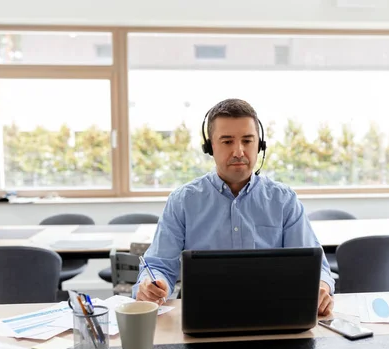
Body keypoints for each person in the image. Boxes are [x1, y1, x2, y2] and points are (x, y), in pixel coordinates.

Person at [132, 98, 335, 316]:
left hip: (273, 315)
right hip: (203, 316)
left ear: (260, 144)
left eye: (247, 141)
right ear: (210, 147)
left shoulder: (284, 201)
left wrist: (321, 287)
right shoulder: (183, 201)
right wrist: (152, 285)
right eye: (227, 141)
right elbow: (158, 266)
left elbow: (317, 270)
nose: (239, 151)